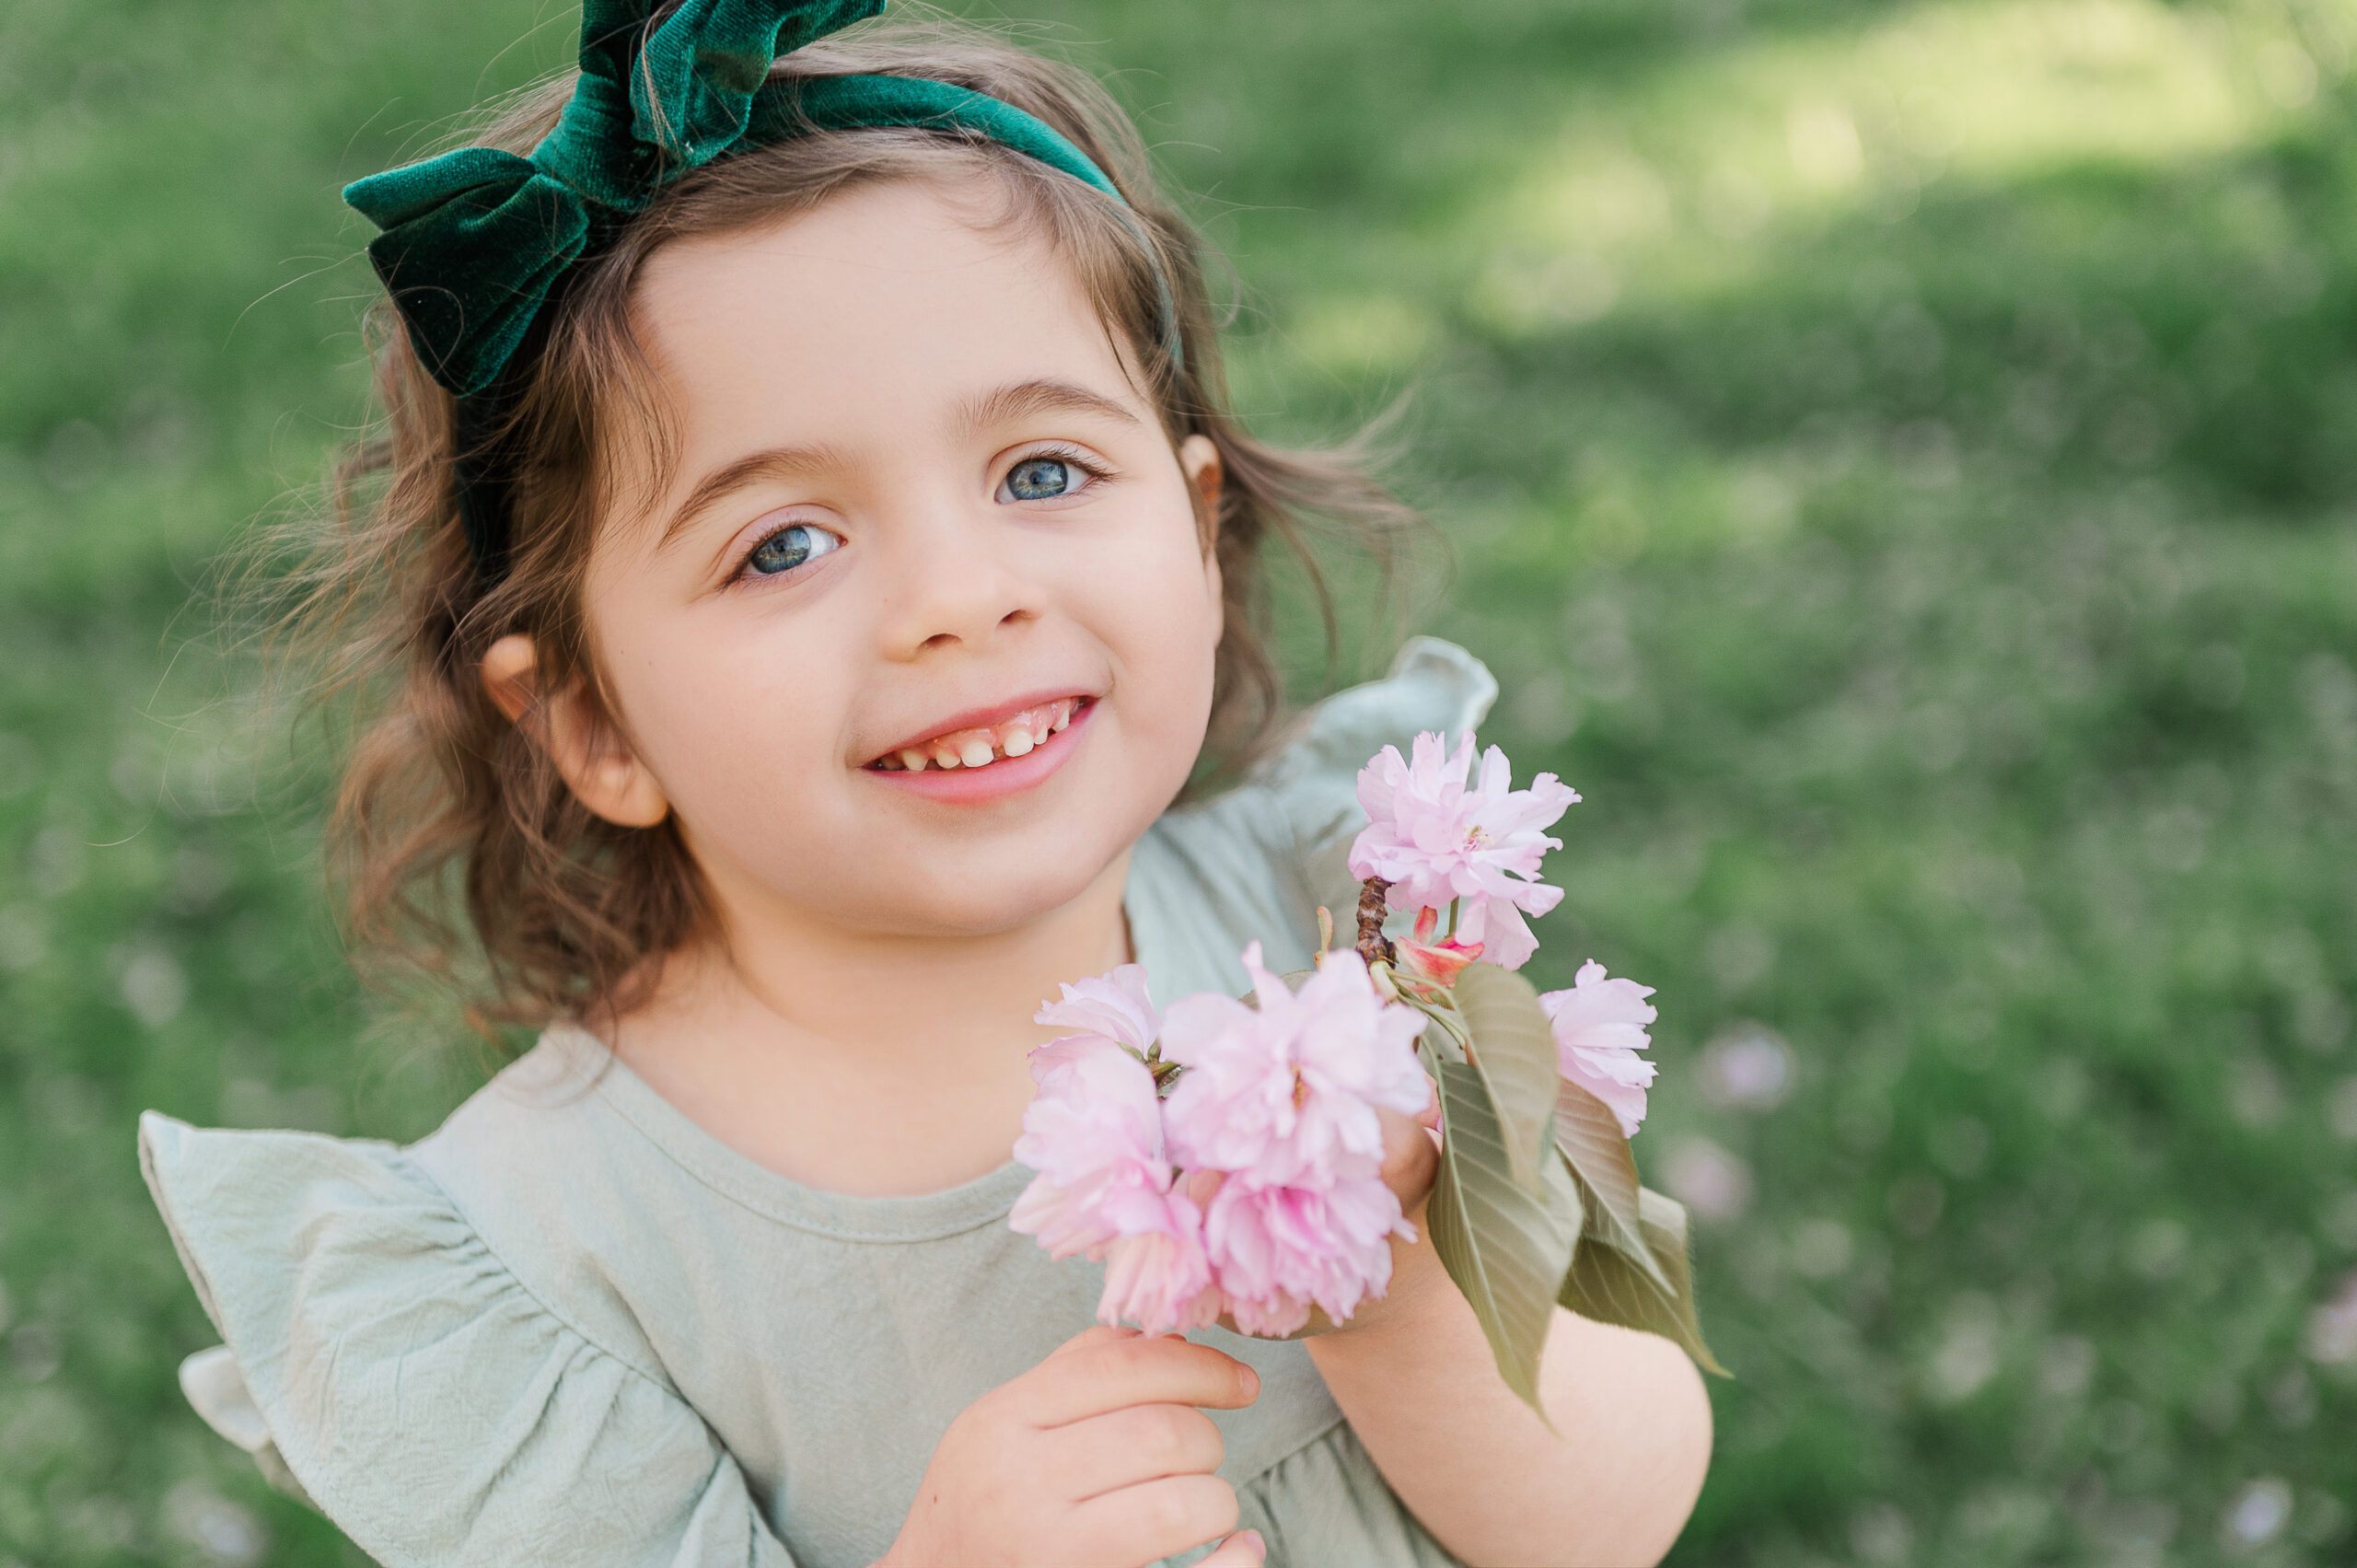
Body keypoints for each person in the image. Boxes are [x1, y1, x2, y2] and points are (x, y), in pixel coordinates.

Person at [138, 3, 1713, 1563]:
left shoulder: (1346, 933)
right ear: (592, 723)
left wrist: (1393, 1287)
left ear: (1194, 523)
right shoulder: (552, 1268)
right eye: (785, 545)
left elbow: (1615, 1516)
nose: (958, 598)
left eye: (1042, 472)